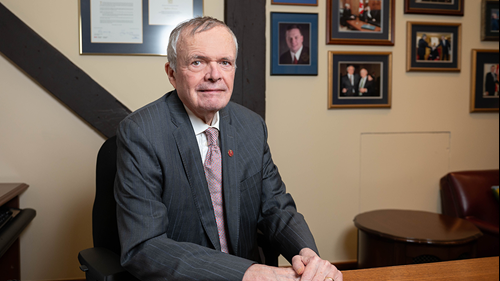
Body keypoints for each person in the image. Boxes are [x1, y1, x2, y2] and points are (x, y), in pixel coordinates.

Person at [114, 17, 343, 281]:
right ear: (172, 73)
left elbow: (276, 208)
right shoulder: (141, 132)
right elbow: (145, 246)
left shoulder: (251, 126)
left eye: (225, 62)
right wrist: (251, 274)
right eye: (197, 62)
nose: (214, 75)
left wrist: (307, 255)